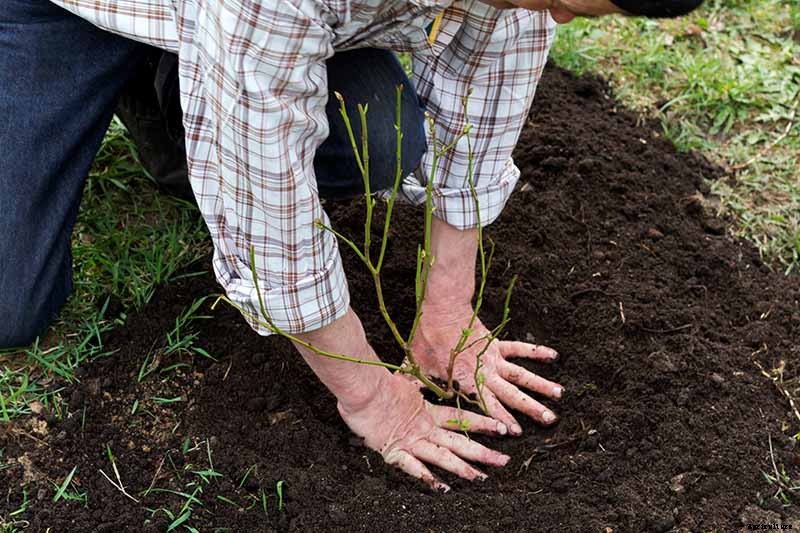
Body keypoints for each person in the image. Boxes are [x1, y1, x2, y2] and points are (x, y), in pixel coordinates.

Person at [0, 0, 703, 490]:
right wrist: (370, 397)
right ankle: (171, 77)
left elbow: (486, 90)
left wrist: (448, 312)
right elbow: (269, 215)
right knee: (10, 303)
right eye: (564, 2)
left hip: (230, 23)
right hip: (68, 10)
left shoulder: (529, 2)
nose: (562, 17)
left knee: (380, 138)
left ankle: (181, 89)